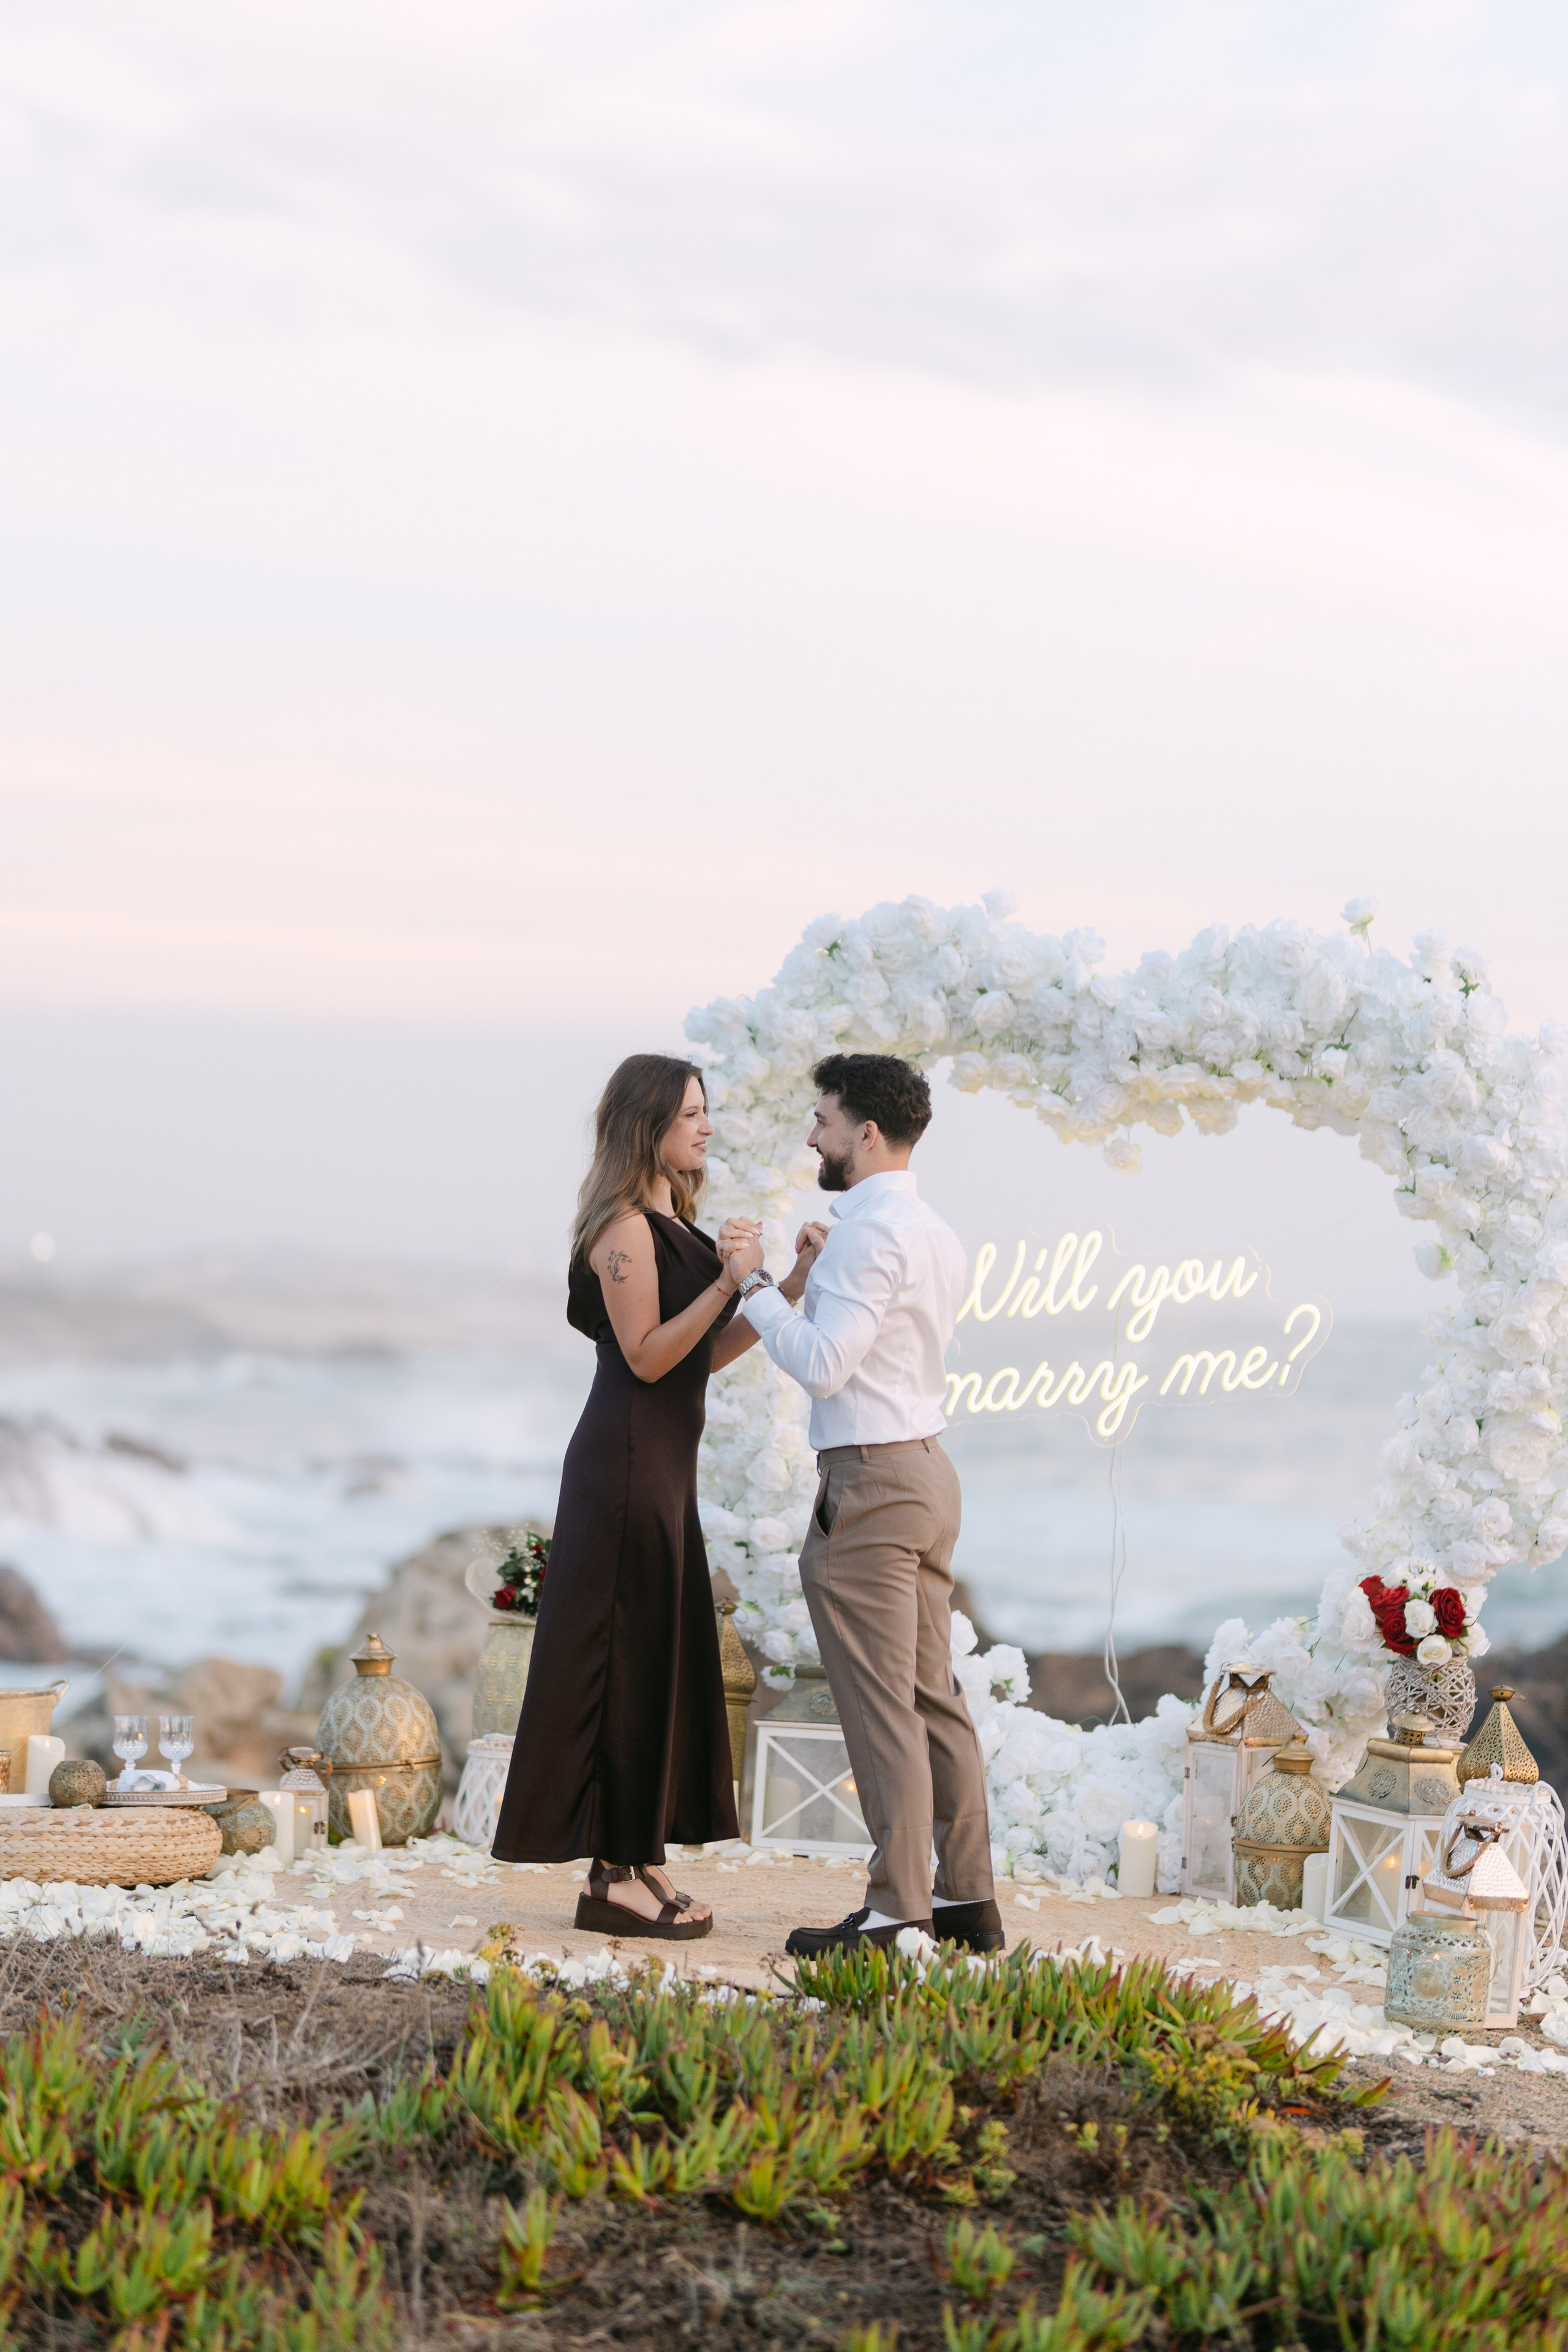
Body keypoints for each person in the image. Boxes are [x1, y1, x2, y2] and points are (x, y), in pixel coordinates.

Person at [490, 1052, 812, 1937]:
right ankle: (610, 1878)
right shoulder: (625, 1231)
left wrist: (786, 1287)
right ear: (647, 1127)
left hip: (663, 1471)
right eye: (689, 1116)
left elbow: (702, 1357)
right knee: (625, 1667)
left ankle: (642, 1862)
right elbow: (646, 1359)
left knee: (658, 1668)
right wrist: (726, 1276)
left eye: (706, 1113)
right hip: (624, 1469)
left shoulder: (674, 1223)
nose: (706, 1128)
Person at [720, 1052, 1002, 1957]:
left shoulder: (867, 1234)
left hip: (872, 1485)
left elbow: (822, 1365)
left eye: (824, 1118)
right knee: (933, 1699)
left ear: (866, 1133)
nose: (814, 1133)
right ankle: (965, 1904)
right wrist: (809, 1271)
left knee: (884, 1709)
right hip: (926, 1471)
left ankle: (895, 1915)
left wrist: (754, 1282)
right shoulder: (934, 1232)